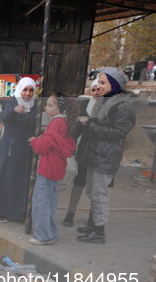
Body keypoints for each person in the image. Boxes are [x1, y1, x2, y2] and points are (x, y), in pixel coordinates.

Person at [76, 67, 146, 244]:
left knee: (100, 194)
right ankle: (93, 224)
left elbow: (117, 132)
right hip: (96, 153)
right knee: (92, 191)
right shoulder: (106, 100)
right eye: (98, 82)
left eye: (103, 82)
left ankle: (98, 232)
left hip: (105, 156)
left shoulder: (123, 106)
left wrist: (90, 125)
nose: (99, 86)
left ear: (114, 84)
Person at [0, 77, 37, 222]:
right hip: (10, 147)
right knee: (7, 178)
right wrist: (14, 110)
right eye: (25, 89)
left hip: (26, 148)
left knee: (22, 180)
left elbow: (35, 125)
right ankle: (3, 211)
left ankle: (19, 212)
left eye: (31, 90)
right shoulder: (11, 102)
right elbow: (4, 116)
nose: (27, 93)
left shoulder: (35, 105)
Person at [28, 93, 77, 245]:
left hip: (48, 167)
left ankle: (43, 235)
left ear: (59, 107)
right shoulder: (65, 122)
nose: (46, 108)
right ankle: (51, 233)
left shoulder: (55, 123)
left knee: (40, 202)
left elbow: (43, 147)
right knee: (50, 203)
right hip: (57, 167)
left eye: (50, 105)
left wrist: (35, 141)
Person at [63, 79, 100, 227]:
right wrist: (68, 141)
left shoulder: (108, 107)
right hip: (85, 149)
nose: (96, 92)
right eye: (94, 89)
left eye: (99, 89)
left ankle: (94, 216)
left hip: (99, 151)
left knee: (96, 186)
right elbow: (78, 127)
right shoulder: (85, 104)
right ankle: (70, 213)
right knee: (79, 183)